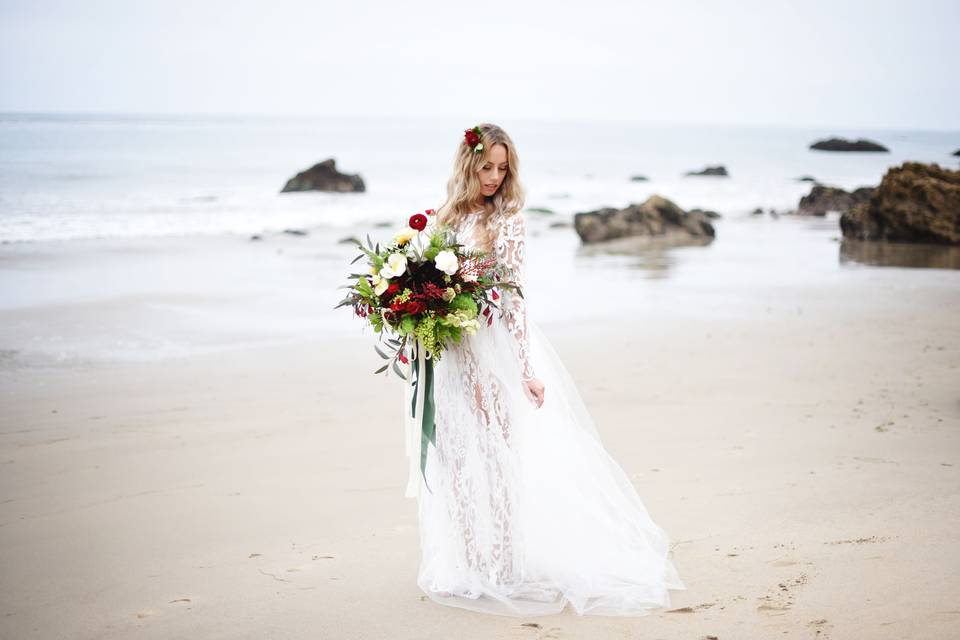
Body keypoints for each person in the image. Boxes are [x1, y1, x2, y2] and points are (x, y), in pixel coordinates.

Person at [412, 122, 686, 617]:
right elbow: (432, 280)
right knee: (454, 459)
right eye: (487, 166)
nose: (494, 176)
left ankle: (504, 565)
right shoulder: (443, 218)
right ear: (468, 164)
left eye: (502, 168)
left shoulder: (508, 220)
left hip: (491, 346)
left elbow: (513, 297)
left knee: (496, 458)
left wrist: (524, 369)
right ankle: (469, 564)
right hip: (451, 352)